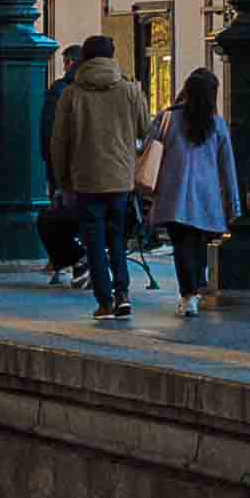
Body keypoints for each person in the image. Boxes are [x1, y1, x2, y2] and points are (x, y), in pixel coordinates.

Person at [47, 34, 150, 319]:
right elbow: (146, 130)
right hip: (120, 178)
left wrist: (63, 182)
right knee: (117, 235)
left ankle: (104, 302)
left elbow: (59, 143)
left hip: (85, 179)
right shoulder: (129, 90)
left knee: (94, 238)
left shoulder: (71, 94)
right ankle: (123, 293)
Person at [142, 69, 242, 310]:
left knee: (181, 244)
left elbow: (148, 147)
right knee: (198, 243)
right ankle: (195, 286)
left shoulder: (167, 117)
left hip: (172, 192)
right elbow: (227, 166)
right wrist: (233, 203)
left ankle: (188, 295)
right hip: (206, 196)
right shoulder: (217, 124)